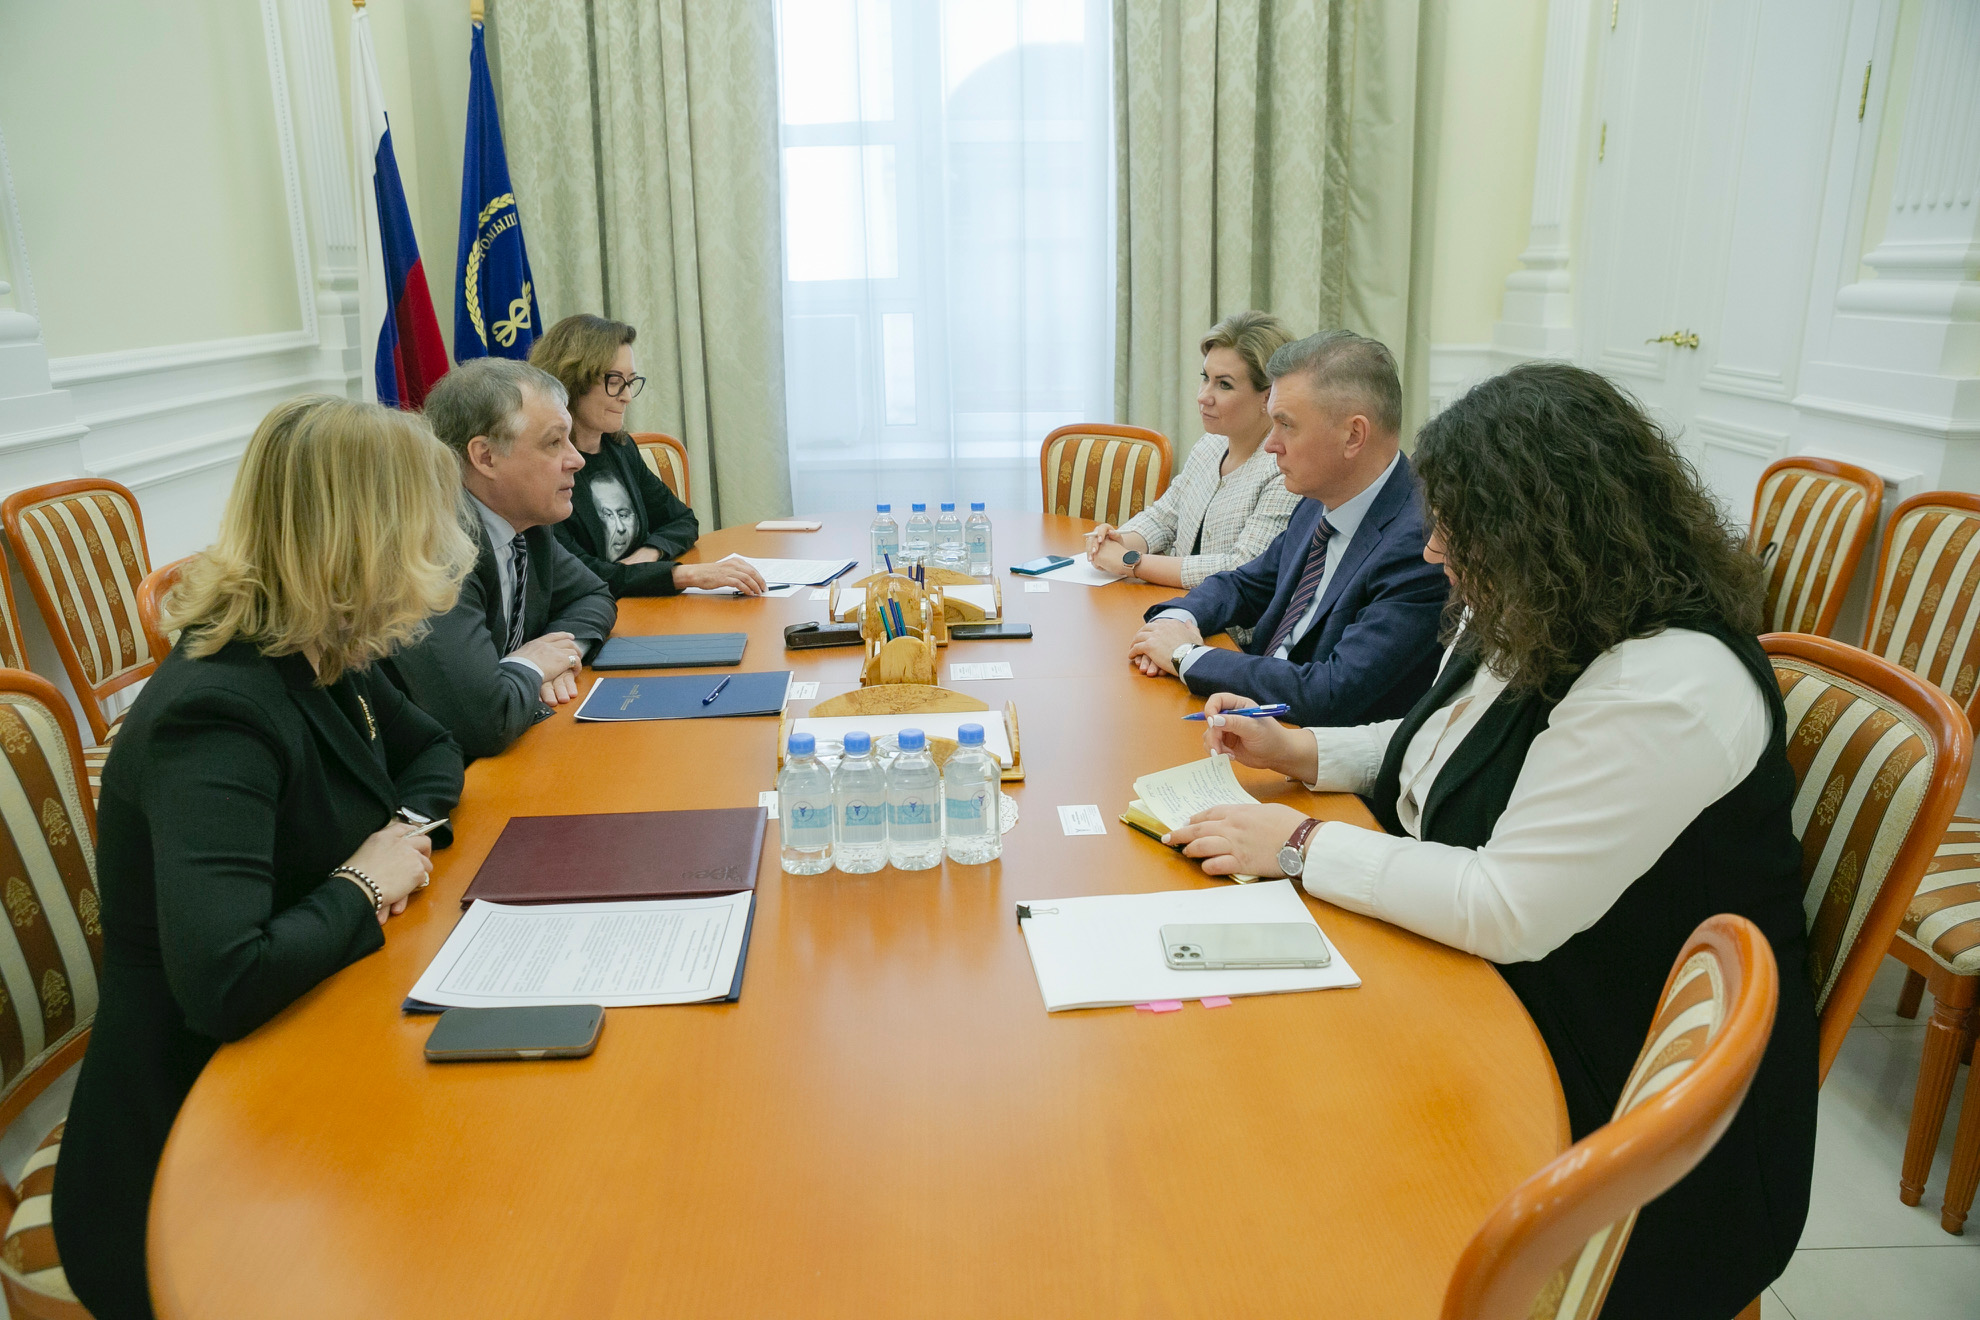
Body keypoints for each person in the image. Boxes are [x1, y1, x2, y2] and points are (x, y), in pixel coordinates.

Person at [1167, 363, 1817, 1320]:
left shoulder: (1667, 682)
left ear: (1541, 529)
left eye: (1455, 529)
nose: (1433, 550)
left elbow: (1508, 908)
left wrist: (1301, 843)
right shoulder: (1561, 604)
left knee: (1280, 1145)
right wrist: (1306, 752)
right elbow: (1451, 738)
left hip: (1629, 1110)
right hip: (1512, 995)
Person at [51, 396, 474, 1320]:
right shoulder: (218, 709)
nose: (442, 546)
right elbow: (226, 979)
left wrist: (400, 836)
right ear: (367, 539)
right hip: (188, 1147)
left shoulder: (319, 646)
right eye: (427, 523)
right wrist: (364, 882)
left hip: (300, 1050)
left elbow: (435, 749)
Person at [1128, 330, 1447, 727]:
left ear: (1353, 435)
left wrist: (1186, 657)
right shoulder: (1321, 495)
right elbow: (1246, 584)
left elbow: (1331, 692)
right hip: (1251, 716)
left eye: (1286, 425)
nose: (1270, 444)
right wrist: (1174, 622)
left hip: (1310, 746)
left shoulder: (1421, 544)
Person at [386, 358, 617, 759]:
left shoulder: (525, 522)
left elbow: (594, 595)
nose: (577, 458)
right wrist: (530, 669)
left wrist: (559, 657)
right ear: (486, 457)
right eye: (553, 442)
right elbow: (484, 722)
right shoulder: (433, 549)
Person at [1084, 311, 1302, 645]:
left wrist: (1132, 562)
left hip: (1233, 639)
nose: (1203, 396)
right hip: (1180, 610)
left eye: (1224, 384)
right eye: (1205, 378)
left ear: (1268, 396)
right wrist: (1118, 540)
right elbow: (1164, 517)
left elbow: (1241, 568)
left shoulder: (1284, 469)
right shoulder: (1209, 446)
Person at [530, 314, 766, 597]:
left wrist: (649, 553)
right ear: (572, 380)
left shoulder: (620, 449)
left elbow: (682, 521)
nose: (627, 396)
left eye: (630, 382)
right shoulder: (546, 466)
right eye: (615, 381)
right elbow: (579, 574)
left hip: (643, 601)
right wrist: (684, 574)